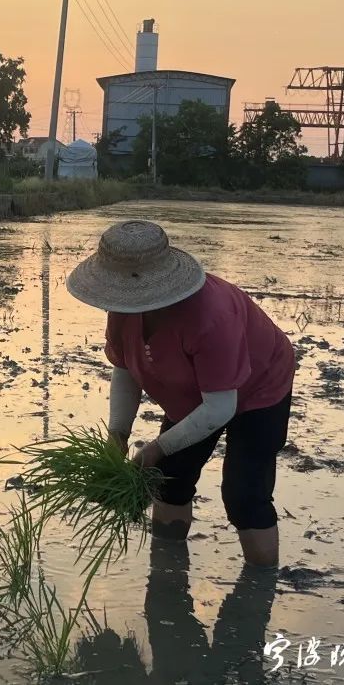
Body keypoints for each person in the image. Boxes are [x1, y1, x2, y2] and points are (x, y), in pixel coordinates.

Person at [67, 221, 295, 567]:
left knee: (244, 495)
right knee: (169, 480)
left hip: (258, 388)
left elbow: (220, 407)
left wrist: (154, 449)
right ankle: (167, 573)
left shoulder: (210, 316)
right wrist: (118, 435)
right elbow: (125, 368)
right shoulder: (123, 311)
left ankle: (259, 589)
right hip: (190, 390)